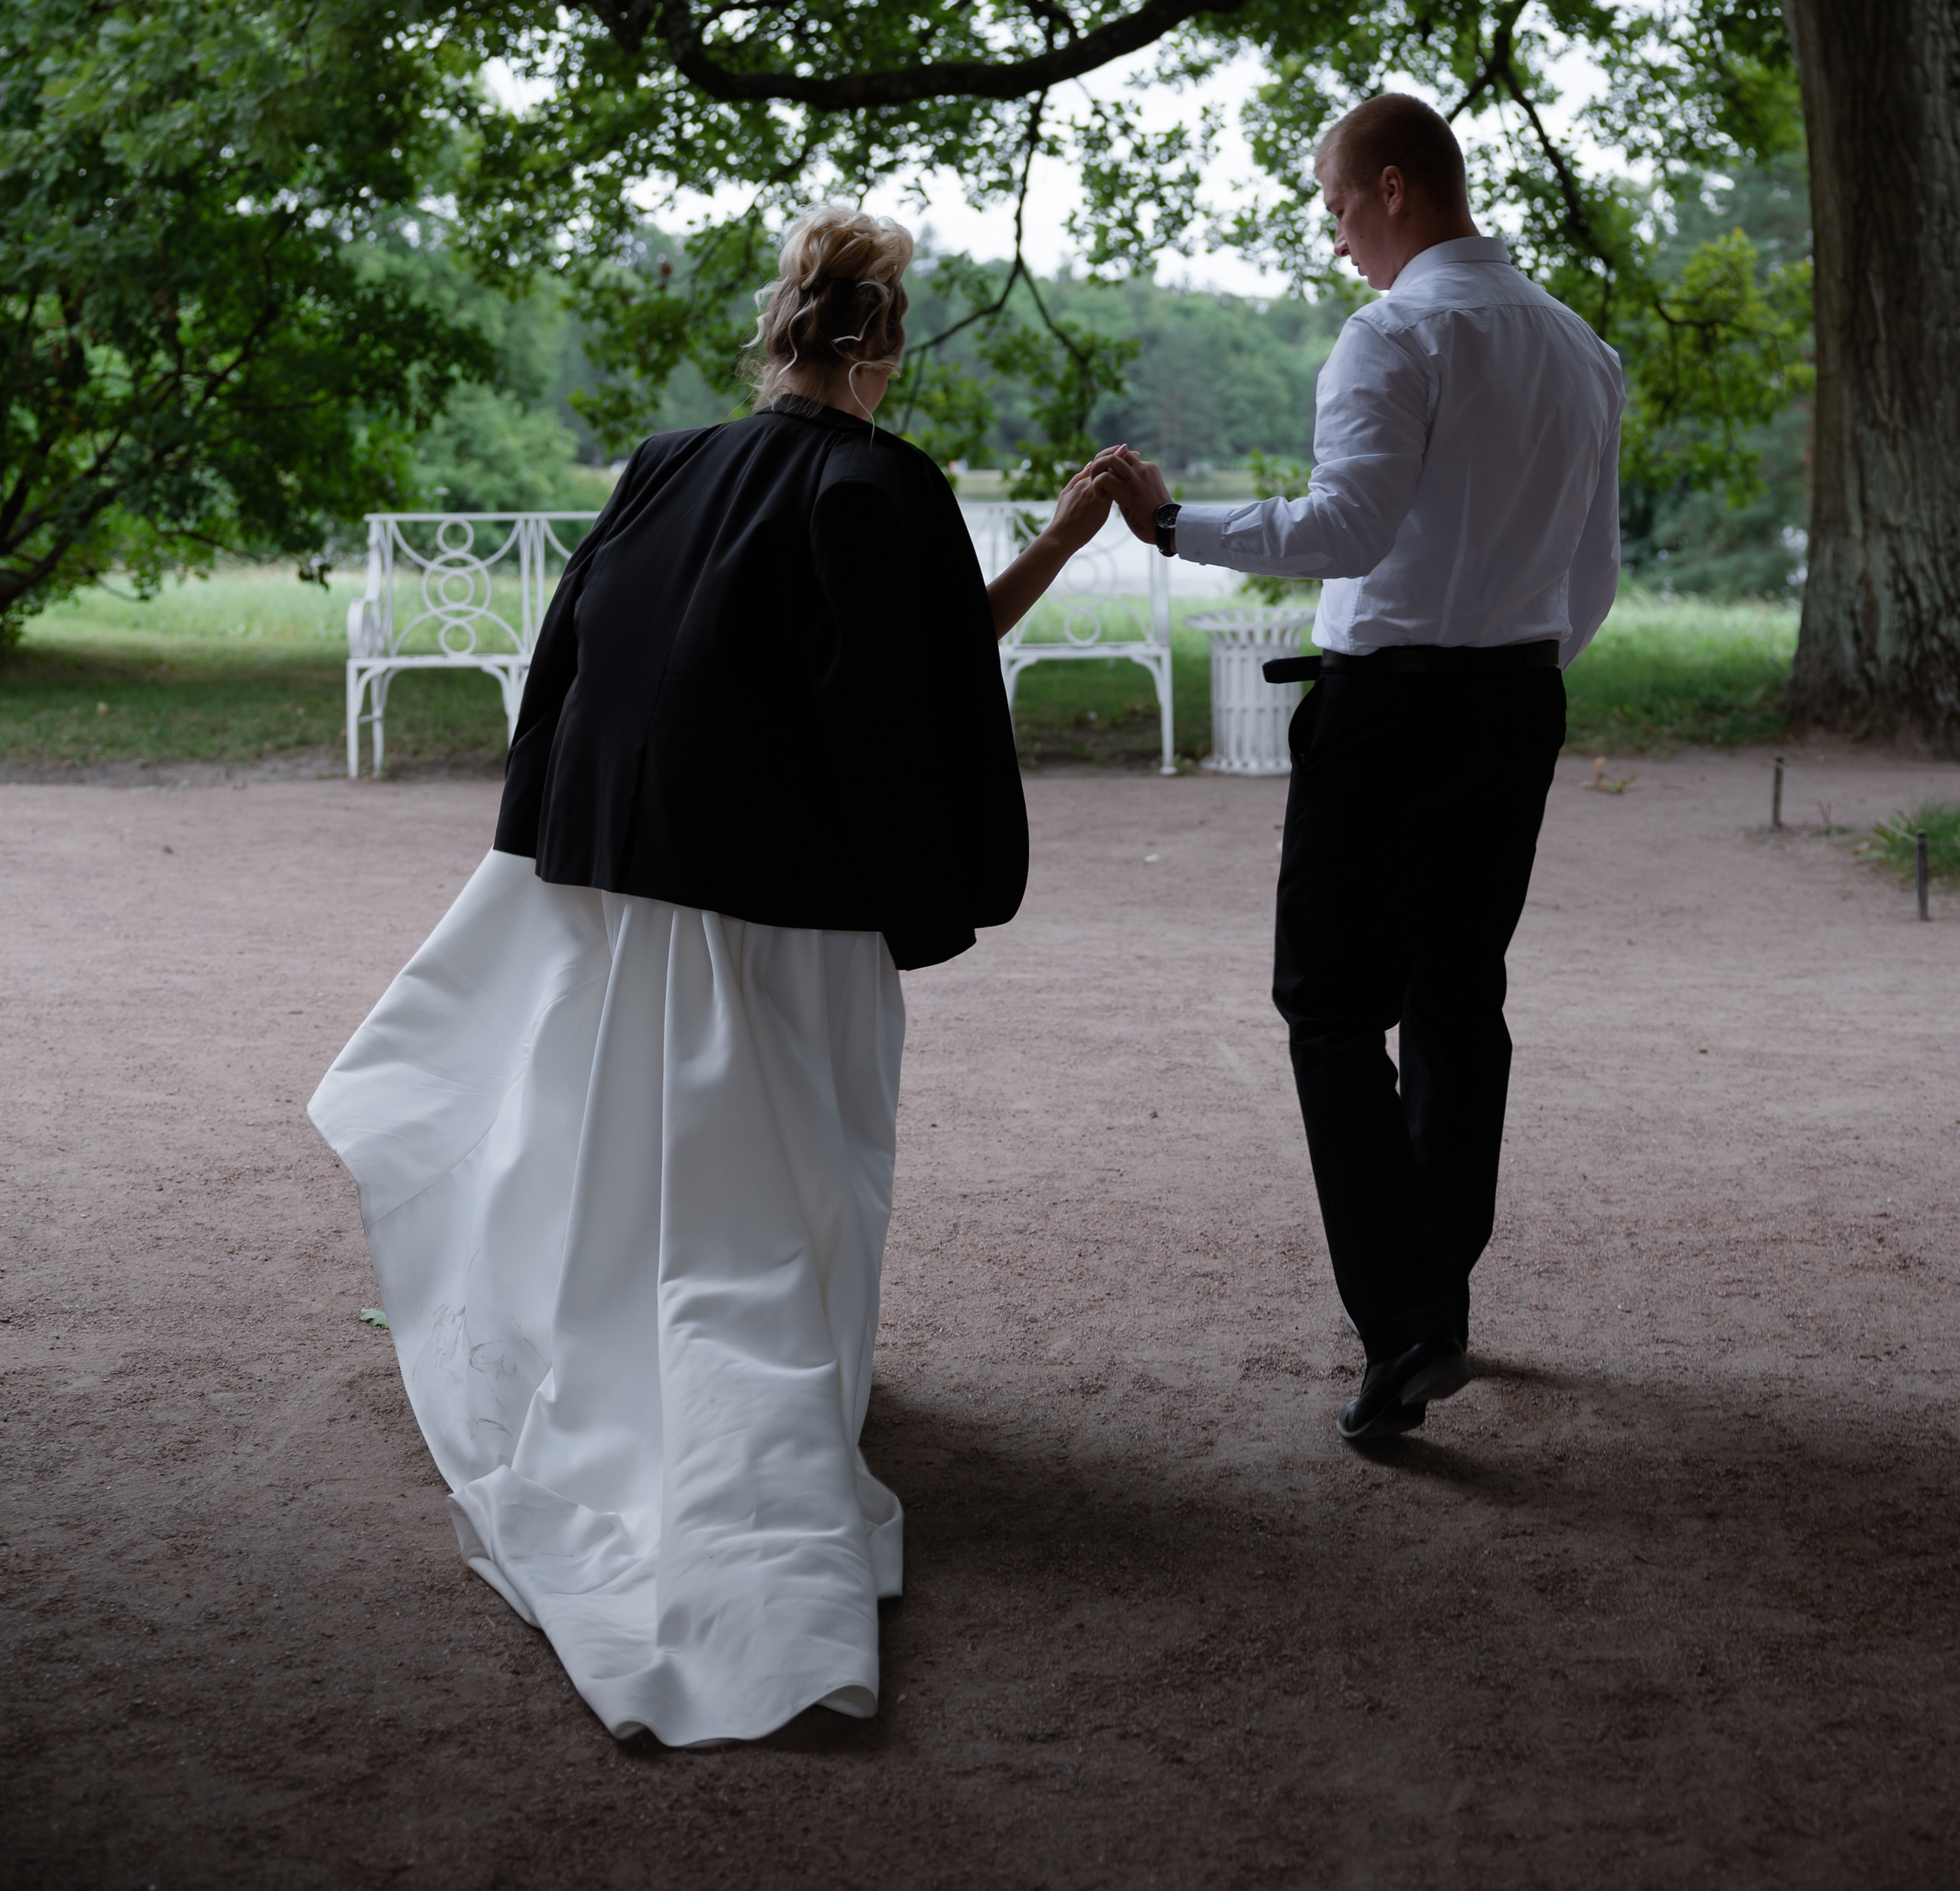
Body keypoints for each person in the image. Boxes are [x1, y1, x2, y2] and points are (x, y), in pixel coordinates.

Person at [310, 207, 1111, 1742]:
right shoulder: (884, 488)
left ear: (785, 327)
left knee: (663, 1171)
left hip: (636, 892)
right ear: (878, 345)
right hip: (790, 913)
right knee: (793, 1183)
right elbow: (919, 699)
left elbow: (575, 667)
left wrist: (551, 841)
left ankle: (677, 1386)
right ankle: (758, 1464)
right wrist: (929, 888)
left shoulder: (666, 464)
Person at [1101, 94, 1623, 1443]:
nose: (1333, 236)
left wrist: (1170, 524)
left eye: (1335, 205)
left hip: (1392, 711)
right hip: (1518, 704)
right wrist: (1514, 663)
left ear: (1395, 186)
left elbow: (1344, 530)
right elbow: (1594, 574)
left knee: (1330, 1008)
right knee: (1460, 996)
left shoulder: (1394, 335)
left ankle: (1402, 1326)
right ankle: (1440, 1299)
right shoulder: (1581, 348)